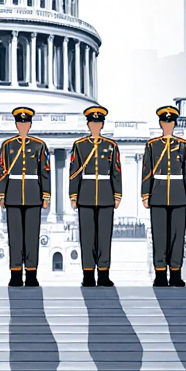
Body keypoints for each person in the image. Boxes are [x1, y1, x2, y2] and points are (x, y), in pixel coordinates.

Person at [68, 105, 122, 288]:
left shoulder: (111, 146)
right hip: (86, 194)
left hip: (106, 194)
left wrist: (117, 194)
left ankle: (104, 274)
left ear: (102, 125)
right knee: (87, 236)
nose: (95, 126)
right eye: (93, 123)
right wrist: (73, 195)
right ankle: (88, 274)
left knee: (104, 237)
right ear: (88, 124)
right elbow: (74, 172)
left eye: (98, 123)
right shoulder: (80, 146)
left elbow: (116, 172)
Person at [0, 107, 51, 287]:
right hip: (13, 194)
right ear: (16, 124)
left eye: (26, 123)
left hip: (33, 194)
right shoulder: (8, 146)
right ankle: (15, 273)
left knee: (32, 236)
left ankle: (31, 273)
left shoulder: (38, 145)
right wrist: (1, 194)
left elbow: (45, 172)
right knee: (15, 236)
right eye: (20, 123)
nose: (23, 126)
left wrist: (45, 195)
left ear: (30, 124)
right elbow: (2, 172)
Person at [141, 105, 186, 287]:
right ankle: (160, 274)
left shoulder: (183, 145)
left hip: (179, 194)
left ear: (174, 124)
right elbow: (147, 171)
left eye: (170, 122)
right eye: (165, 122)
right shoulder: (152, 145)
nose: (167, 125)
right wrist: (145, 194)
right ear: (160, 123)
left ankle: (176, 273)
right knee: (159, 236)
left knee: (177, 236)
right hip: (157, 193)